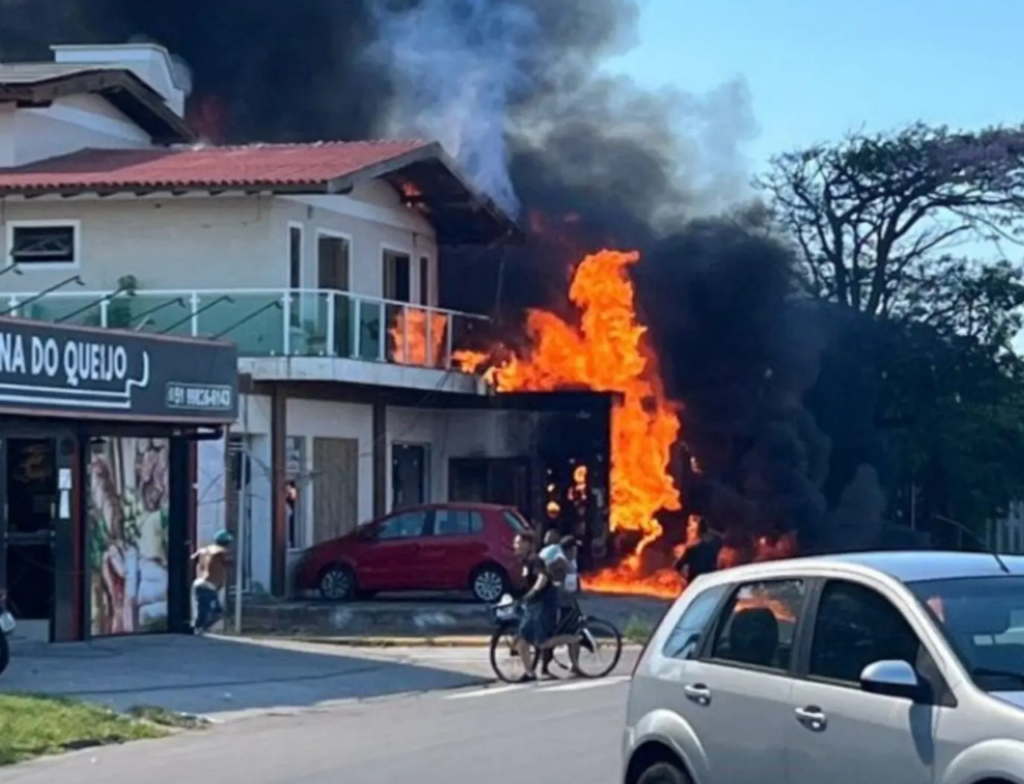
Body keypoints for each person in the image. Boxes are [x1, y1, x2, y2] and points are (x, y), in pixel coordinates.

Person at [513, 530, 559, 682]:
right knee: (523, 639)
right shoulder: (525, 561)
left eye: (518, 543)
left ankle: (574, 638)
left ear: (527, 544)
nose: (515, 546)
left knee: (541, 642)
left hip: (544, 604)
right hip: (534, 605)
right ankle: (529, 673)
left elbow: (542, 577)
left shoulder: (535, 560)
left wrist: (534, 591)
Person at [191, 529, 233, 634]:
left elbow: (192, 558)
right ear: (226, 542)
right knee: (212, 611)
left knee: (205, 608)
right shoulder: (222, 552)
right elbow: (229, 563)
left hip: (199, 581)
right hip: (209, 584)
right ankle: (198, 628)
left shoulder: (203, 550)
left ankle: (199, 627)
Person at [674, 517, 722, 583]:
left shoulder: (710, 544)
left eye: (692, 529)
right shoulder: (689, 549)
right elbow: (677, 568)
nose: (688, 530)